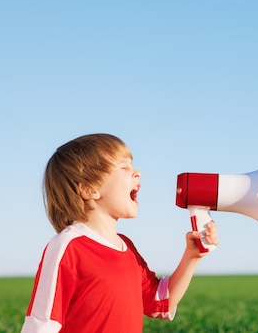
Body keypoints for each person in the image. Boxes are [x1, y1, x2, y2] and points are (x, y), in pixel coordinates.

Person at [21, 133, 218, 332]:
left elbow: (159, 302)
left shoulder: (126, 247)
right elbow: (42, 323)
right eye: (124, 167)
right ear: (89, 189)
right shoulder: (68, 246)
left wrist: (192, 257)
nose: (137, 172)